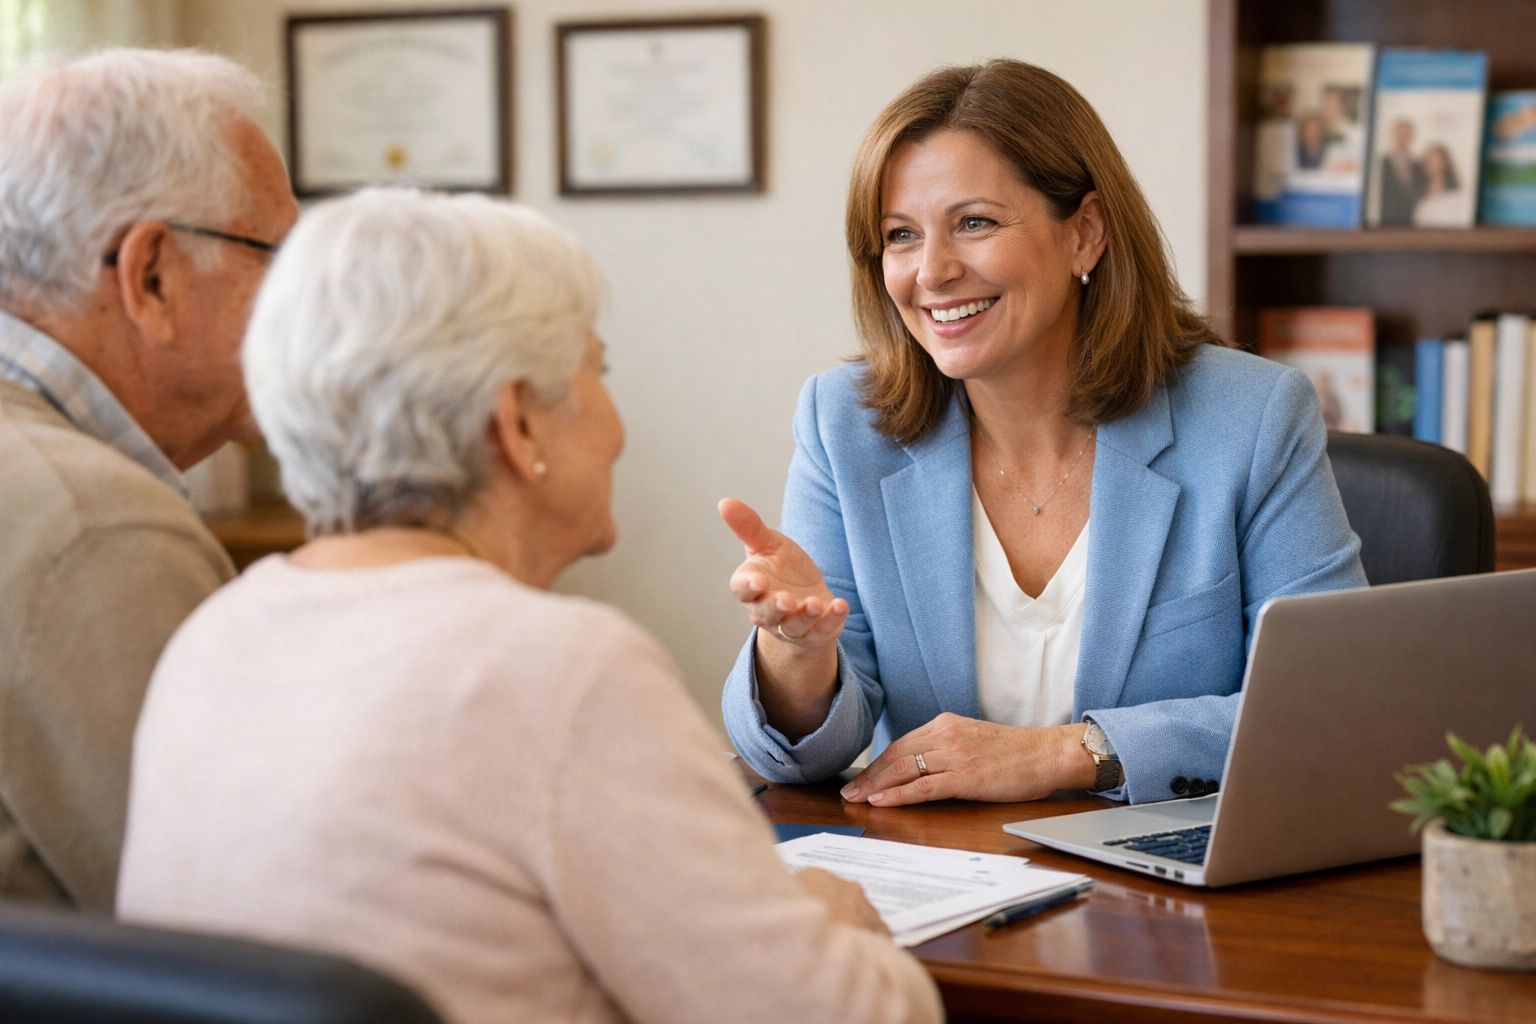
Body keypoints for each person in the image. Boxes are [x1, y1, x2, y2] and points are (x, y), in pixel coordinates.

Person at [116, 190, 941, 1024]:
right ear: (518, 425)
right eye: (596, 373)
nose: (617, 427)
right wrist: (836, 919)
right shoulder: (560, 671)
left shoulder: (213, 636)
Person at [719, 60, 1365, 808]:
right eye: (901, 235)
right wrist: (797, 651)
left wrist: (1067, 754)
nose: (932, 271)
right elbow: (802, 755)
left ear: (1085, 233)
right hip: (943, 868)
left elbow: (1331, 701)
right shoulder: (845, 424)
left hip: (1165, 865)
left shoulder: (1250, 417)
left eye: (974, 223)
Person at [0, 49, 297, 909]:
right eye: (278, 258)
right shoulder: (96, 527)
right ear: (153, 276)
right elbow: (230, 916)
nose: (304, 304)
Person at [1378, 118, 1425, 226]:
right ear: (1393, 136)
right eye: (1400, 134)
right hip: (1386, 222)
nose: (1403, 138)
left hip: (1411, 222)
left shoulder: (1419, 166)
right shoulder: (1381, 164)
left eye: (1406, 135)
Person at [1413, 143, 1462, 226]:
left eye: (1435, 160)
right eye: (1428, 160)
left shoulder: (1455, 196)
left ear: (1445, 163)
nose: (1430, 163)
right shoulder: (1417, 194)